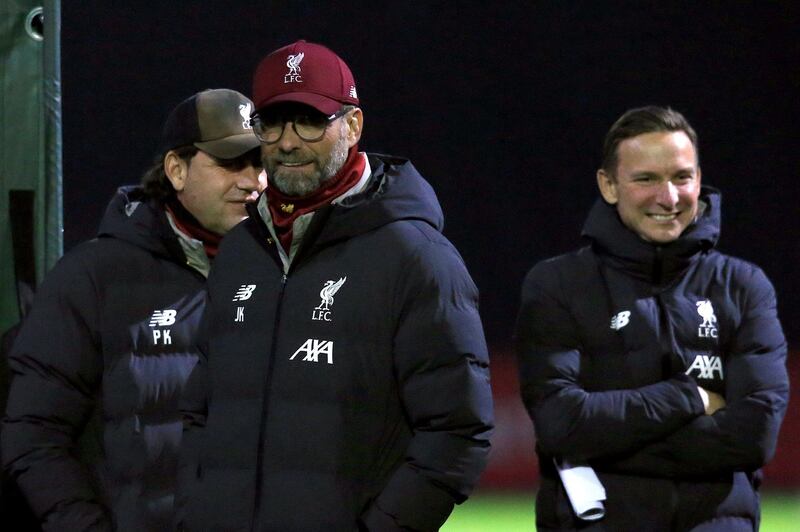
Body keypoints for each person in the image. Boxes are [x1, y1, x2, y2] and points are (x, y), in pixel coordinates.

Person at [175, 40, 494, 532]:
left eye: (309, 120)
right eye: (272, 122)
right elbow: (202, 412)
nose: (286, 142)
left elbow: (458, 432)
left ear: (353, 125)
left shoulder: (416, 255)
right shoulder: (240, 250)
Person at [2, 88, 265, 531]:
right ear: (176, 170)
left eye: (259, 163)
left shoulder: (281, 275)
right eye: (229, 163)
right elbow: (33, 434)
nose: (252, 181)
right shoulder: (93, 277)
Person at [515, 106, 789, 531]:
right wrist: (690, 399)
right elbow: (561, 424)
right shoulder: (557, 285)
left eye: (682, 177)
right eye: (646, 179)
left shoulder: (743, 286)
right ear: (608, 185)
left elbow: (755, 435)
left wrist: (608, 437)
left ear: (698, 180)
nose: (669, 197)